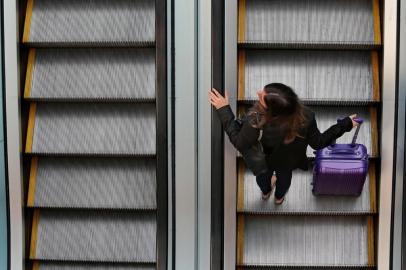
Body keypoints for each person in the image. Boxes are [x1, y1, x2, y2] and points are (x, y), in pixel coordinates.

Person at [208, 83, 359, 204]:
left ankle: (266, 193)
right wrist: (344, 125)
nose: (258, 93)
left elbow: (240, 142)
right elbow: (318, 142)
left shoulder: (256, 121)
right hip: (288, 162)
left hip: (263, 162)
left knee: (263, 179)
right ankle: (279, 198)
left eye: (262, 98)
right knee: (285, 179)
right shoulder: (306, 117)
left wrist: (224, 110)